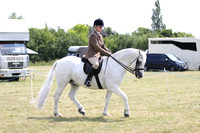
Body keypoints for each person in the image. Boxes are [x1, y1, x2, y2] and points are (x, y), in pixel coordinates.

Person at [84, 18, 111, 87]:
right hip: (91, 54)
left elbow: (103, 45)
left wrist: (108, 50)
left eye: (102, 27)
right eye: (99, 26)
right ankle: (87, 80)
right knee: (96, 64)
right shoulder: (93, 35)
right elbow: (97, 46)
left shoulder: (100, 35)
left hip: (98, 55)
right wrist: (105, 52)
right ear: (95, 26)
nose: (101, 28)